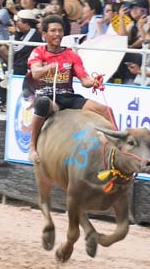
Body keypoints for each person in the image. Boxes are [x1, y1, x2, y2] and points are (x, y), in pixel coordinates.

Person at [26, 14, 112, 163]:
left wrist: (94, 82)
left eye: (60, 30)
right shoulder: (38, 52)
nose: (57, 34)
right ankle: (32, 146)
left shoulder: (71, 55)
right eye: (53, 31)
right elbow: (35, 73)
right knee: (42, 103)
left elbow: (84, 80)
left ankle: (118, 142)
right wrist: (49, 67)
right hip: (48, 97)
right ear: (44, 34)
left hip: (68, 96)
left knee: (106, 110)